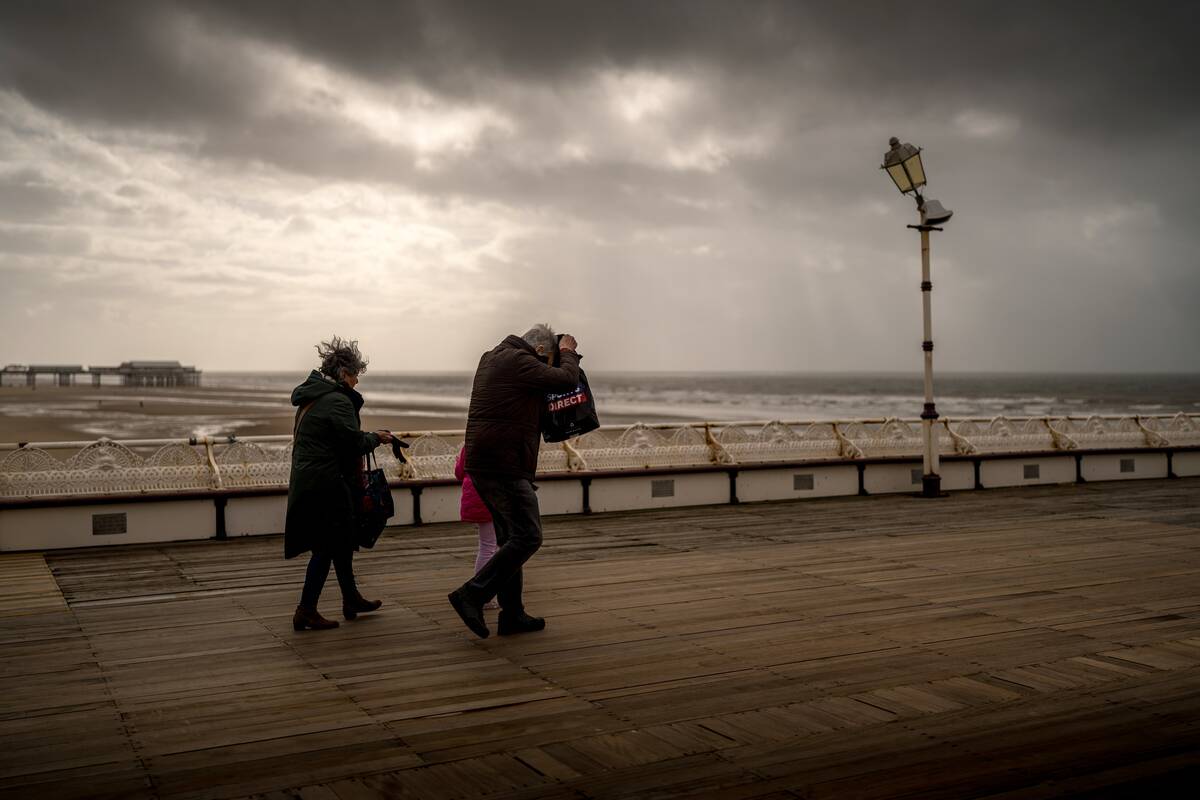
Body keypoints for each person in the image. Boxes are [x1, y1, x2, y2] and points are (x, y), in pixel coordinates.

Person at [448, 324, 580, 638]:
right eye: (547, 361)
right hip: (503, 466)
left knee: (510, 539)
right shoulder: (518, 361)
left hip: (486, 464)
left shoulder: (493, 357)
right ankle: (472, 594)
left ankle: (513, 615)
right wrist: (568, 353)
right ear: (541, 352)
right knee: (528, 536)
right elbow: (566, 380)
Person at [285, 336, 395, 631]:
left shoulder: (315, 396)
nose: (358, 381)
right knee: (325, 546)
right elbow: (353, 442)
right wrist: (378, 438)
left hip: (313, 478)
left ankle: (350, 598)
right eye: (356, 374)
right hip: (327, 483)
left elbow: (336, 438)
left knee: (341, 540)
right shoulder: (337, 400)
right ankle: (306, 609)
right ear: (345, 373)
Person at [454, 446, 499, 610]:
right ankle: (483, 595)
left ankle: (485, 593)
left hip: (474, 496)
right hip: (492, 497)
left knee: (487, 545)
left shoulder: (470, 441)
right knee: (492, 547)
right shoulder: (499, 439)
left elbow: (459, 473)